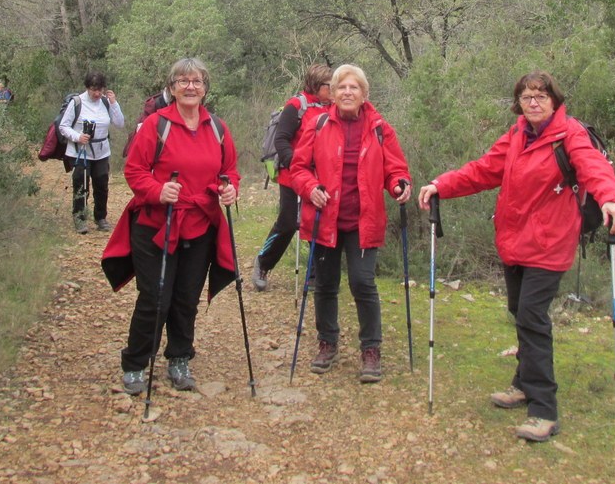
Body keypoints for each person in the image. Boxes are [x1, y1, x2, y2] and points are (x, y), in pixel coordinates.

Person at [417, 71, 615, 443]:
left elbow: (595, 168)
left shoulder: (570, 135)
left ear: (554, 100)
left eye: (541, 96)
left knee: (531, 315)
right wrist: (441, 185)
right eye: (527, 96)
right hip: (514, 241)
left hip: (549, 244)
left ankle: (543, 408)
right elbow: (483, 170)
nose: (533, 102)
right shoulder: (516, 135)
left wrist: (611, 197)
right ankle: (523, 382)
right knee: (519, 310)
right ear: (519, 102)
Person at [100, 57, 240, 395]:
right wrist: (158, 191)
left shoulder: (217, 128)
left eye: (196, 81)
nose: (190, 87)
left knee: (186, 297)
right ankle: (135, 363)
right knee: (156, 296)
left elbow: (230, 170)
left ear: (205, 88)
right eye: (183, 81)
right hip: (155, 225)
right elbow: (134, 171)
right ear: (172, 87)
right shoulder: (155, 125)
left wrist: (229, 188)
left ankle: (180, 357)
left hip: (201, 224)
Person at [289, 64, 412, 383]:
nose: (346, 92)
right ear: (331, 92)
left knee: (362, 283)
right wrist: (310, 187)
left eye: (353, 87)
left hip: (364, 220)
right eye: (341, 87)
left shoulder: (380, 127)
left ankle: (371, 349)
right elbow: (298, 167)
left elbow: (395, 169)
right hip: (324, 219)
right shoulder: (316, 125)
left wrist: (399, 184)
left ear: (364, 94)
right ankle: (327, 343)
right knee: (325, 285)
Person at [252, 63, 333, 291]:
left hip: (322, 177)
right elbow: (282, 139)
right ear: (317, 85)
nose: (334, 89)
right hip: (293, 176)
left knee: (318, 223)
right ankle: (263, 263)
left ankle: (315, 275)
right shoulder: (296, 105)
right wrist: (297, 164)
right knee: (288, 223)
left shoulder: (333, 107)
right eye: (330, 85)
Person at [58, 71, 125, 234]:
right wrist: (78, 136)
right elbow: (63, 126)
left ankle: (100, 217)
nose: (97, 93)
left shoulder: (106, 102)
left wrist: (114, 103)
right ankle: (80, 217)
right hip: (79, 151)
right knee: (81, 183)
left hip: (101, 151)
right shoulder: (77, 102)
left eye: (100, 89)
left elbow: (120, 123)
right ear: (87, 88)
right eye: (93, 89)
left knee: (101, 183)